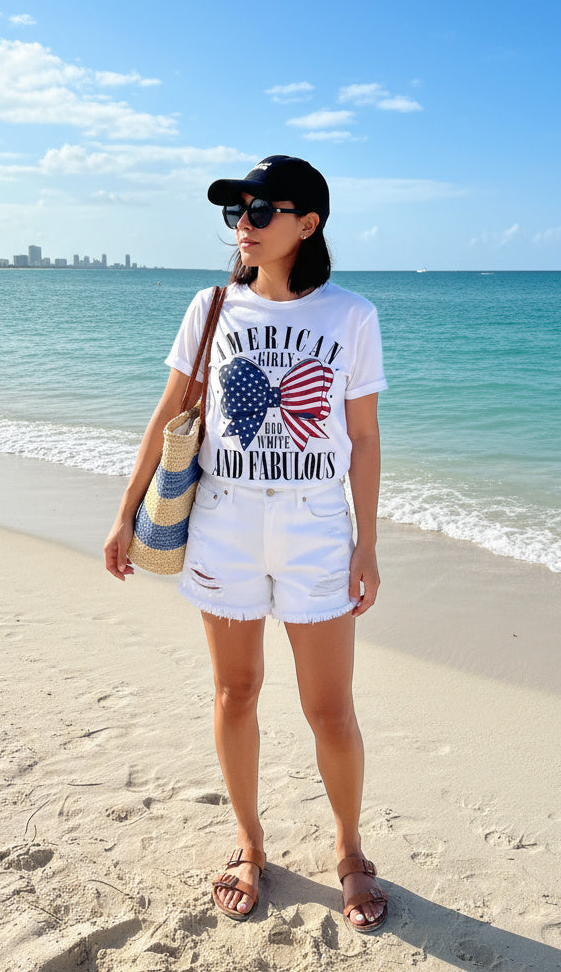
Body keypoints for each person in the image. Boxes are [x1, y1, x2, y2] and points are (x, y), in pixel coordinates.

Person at [103, 155, 388, 932]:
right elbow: (170, 416)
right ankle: (249, 842)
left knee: (330, 709)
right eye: (237, 211)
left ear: (308, 224)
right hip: (224, 522)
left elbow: (362, 439)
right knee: (236, 691)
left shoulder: (350, 316)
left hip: (315, 527)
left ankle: (349, 850)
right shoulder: (211, 308)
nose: (245, 225)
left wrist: (366, 544)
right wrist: (125, 512)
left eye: (262, 211)